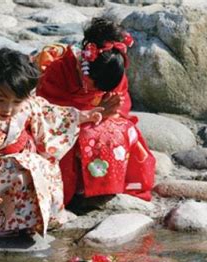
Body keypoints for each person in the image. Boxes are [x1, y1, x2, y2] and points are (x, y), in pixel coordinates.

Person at [0, 48, 103, 237]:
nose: (8, 109)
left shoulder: (29, 105)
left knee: (46, 167)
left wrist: (81, 117)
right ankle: (1, 224)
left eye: (16, 101)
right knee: (21, 172)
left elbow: (51, 116)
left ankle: (40, 218)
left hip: (27, 165)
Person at [36, 17, 155, 204]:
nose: (97, 89)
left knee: (124, 132)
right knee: (83, 137)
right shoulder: (60, 70)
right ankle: (78, 188)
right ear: (84, 65)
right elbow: (46, 111)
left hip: (100, 118)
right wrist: (90, 115)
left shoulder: (112, 68)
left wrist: (111, 113)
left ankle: (109, 186)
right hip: (64, 123)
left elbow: (121, 104)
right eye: (94, 83)